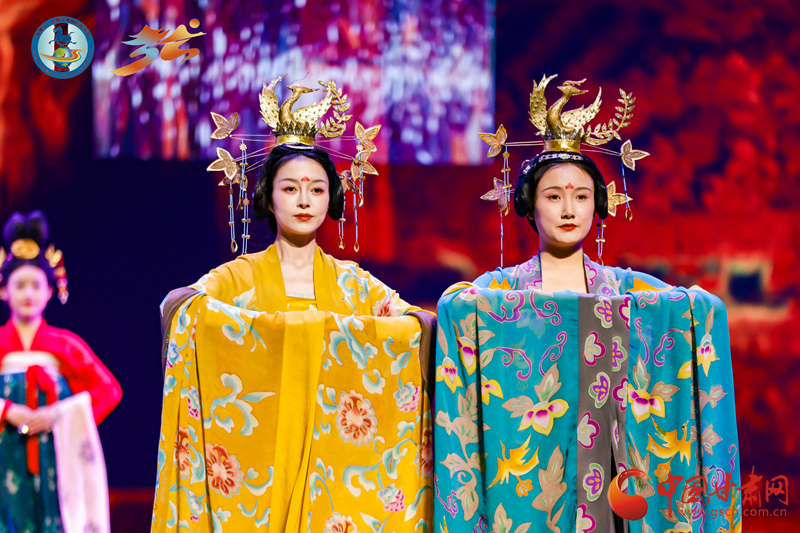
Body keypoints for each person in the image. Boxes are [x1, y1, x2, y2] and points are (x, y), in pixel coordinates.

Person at [433, 76, 741, 533]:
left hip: (613, 472)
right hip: (533, 481)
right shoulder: (502, 290)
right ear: (528, 205)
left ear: (598, 205)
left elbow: (695, 310)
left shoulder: (623, 288)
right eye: (553, 197)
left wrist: (694, 308)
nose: (568, 210)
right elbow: (457, 306)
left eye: (580, 197)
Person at [153, 82, 435, 533]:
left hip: (333, 467)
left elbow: (414, 325)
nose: (304, 201)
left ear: (331, 198)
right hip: (261, 464)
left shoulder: (353, 283)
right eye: (290, 188)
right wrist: (302, 331)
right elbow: (185, 306)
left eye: (317, 190)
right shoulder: (238, 278)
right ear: (268, 196)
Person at [0, 211, 122, 533]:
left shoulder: (65, 344)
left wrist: (57, 414)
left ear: (50, 291)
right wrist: (7, 410)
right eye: (19, 285)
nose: (28, 294)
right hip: (4, 449)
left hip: (55, 452)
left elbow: (109, 390)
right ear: (4, 291)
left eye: (36, 285)